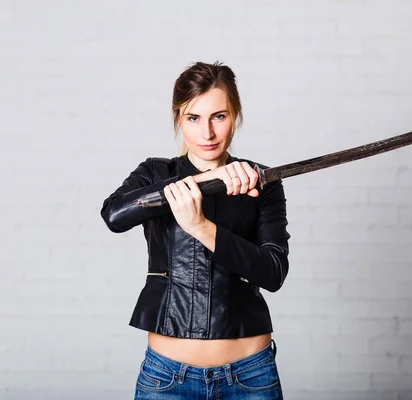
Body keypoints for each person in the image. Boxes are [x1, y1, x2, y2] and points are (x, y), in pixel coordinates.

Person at [100, 61, 290, 399]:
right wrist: (205, 181)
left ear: (236, 115)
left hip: (251, 377)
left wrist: (202, 228)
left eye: (219, 116)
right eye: (193, 118)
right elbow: (114, 215)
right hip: (167, 378)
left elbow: (273, 273)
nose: (208, 134)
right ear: (177, 118)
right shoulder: (155, 173)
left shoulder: (261, 181)